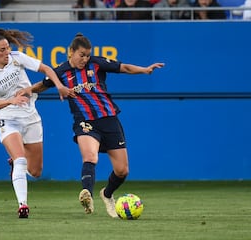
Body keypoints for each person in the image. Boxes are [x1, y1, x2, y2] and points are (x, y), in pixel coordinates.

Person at [30, 33, 164, 217]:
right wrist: (25, 91)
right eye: (81, 55)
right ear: (71, 52)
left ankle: (107, 194)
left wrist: (145, 70)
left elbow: (123, 67)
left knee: (122, 170)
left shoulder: (97, 63)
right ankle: (87, 194)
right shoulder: (60, 72)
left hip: (108, 118)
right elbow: (42, 85)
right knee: (90, 156)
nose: (85, 59)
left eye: (87, 55)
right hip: (84, 121)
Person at [0, 29, 74, 218]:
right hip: (8, 119)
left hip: (31, 118)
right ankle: (23, 205)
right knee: (20, 159)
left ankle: (15, 167)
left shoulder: (17, 58)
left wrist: (60, 86)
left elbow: (47, 69)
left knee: (36, 171)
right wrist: (10, 101)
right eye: (1, 50)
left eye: (7, 48)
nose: (6, 53)